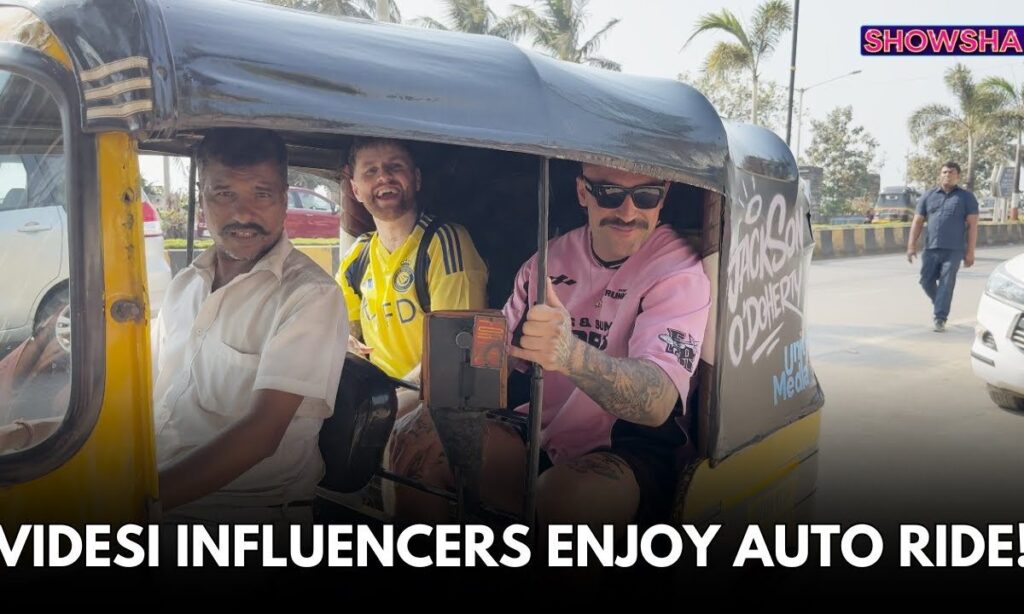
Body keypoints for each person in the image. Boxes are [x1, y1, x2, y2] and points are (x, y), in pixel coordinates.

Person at [390, 162, 711, 526]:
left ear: (663, 196)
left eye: (645, 196)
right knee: (417, 438)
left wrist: (570, 354)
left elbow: (657, 403)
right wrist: (408, 392)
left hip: (632, 451)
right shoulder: (548, 261)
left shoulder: (677, 271)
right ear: (582, 192)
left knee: (565, 497)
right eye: (609, 194)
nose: (628, 211)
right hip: (543, 433)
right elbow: (494, 352)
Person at [152, 128, 347, 522]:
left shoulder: (310, 296)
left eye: (262, 194)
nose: (243, 214)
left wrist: (133, 503)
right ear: (201, 198)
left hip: (246, 513)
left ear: (283, 198)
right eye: (224, 194)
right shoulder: (184, 285)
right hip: (163, 494)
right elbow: (145, 397)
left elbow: (261, 433)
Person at [336, 137, 488, 417]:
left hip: (433, 409)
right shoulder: (358, 255)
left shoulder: (445, 243)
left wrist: (384, 411)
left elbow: (453, 359)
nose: (383, 176)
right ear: (355, 190)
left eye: (395, 166)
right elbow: (342, 325)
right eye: (370, 170)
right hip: (377, 402)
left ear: (416, 179)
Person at [907, 161, 978, 332]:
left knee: (947, 282)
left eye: (951, 172)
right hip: (931, 248)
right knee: (925, 280)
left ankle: (940, 317)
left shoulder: (966, 197)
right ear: (940, 174)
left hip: (954, 250)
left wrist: (970, 252)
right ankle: (940, 302)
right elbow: (917, 221)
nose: (947, 175)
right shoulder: (928, 196)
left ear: (958, 176)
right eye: (944, 172)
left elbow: (973, 226)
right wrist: (911, 245)